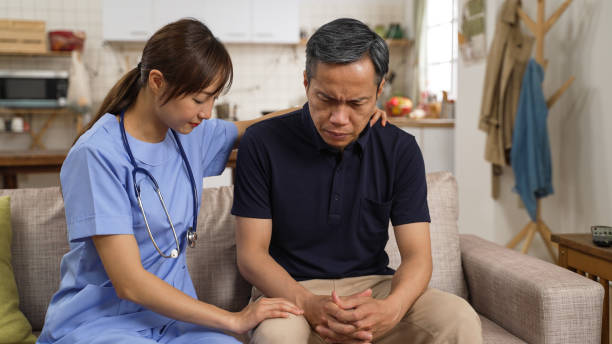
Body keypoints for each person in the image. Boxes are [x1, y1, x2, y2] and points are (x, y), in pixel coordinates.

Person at [37, 18, 386, 344]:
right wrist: (233, 319)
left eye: (214, 98)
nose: (207, 112)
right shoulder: (97, 154)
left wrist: (348, 110)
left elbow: (252, 128)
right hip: (102, 322)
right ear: (157, 82)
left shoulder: (188, 133)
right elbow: (129, 283)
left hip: (173, 322)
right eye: (199, 99)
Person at [232, 18, 482, 344]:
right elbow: (251, 255)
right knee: (276, 338)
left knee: (458, 318)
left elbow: (418, 257)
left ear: (379, 92)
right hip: (290, 293)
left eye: (356, 103)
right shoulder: (262, 142)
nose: (339, 118)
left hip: (374, 288)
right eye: (325, 99)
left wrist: (392, 308)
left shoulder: (399, 148)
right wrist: (308, 303)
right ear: (306, 82)